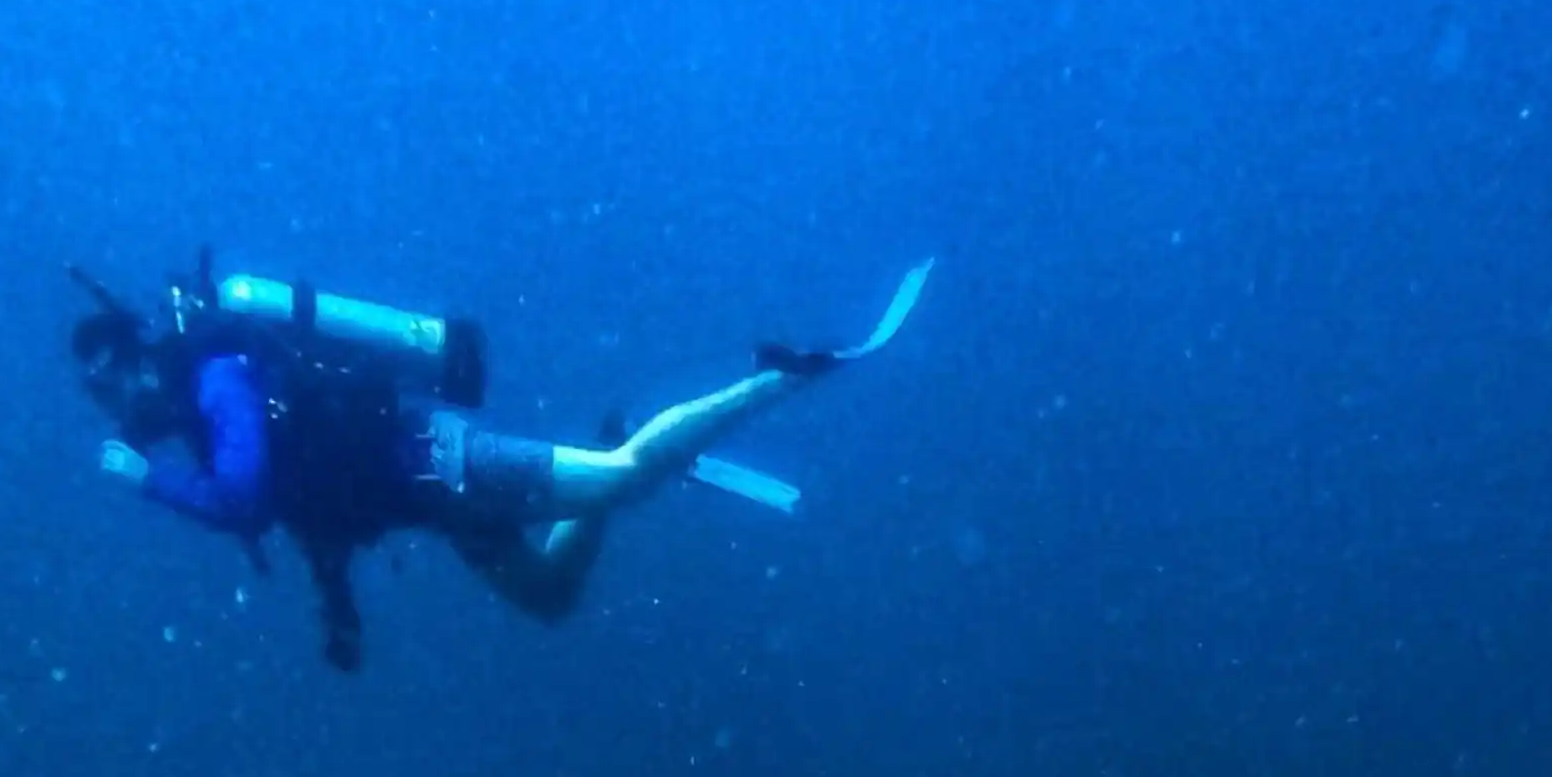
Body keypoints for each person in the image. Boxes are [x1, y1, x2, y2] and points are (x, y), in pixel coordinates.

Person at [70, 253, 931, 672]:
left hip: (437, 462)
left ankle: (780, 376)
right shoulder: (207, 403)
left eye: (109, 389)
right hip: (430, 503)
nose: (115, 411)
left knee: (620, 478)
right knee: (550, 596)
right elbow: (304, 507)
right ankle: (635, 440)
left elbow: (248, 502)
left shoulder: (216, 376)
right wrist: (339, 611)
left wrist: (149, 482)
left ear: (132, 363)